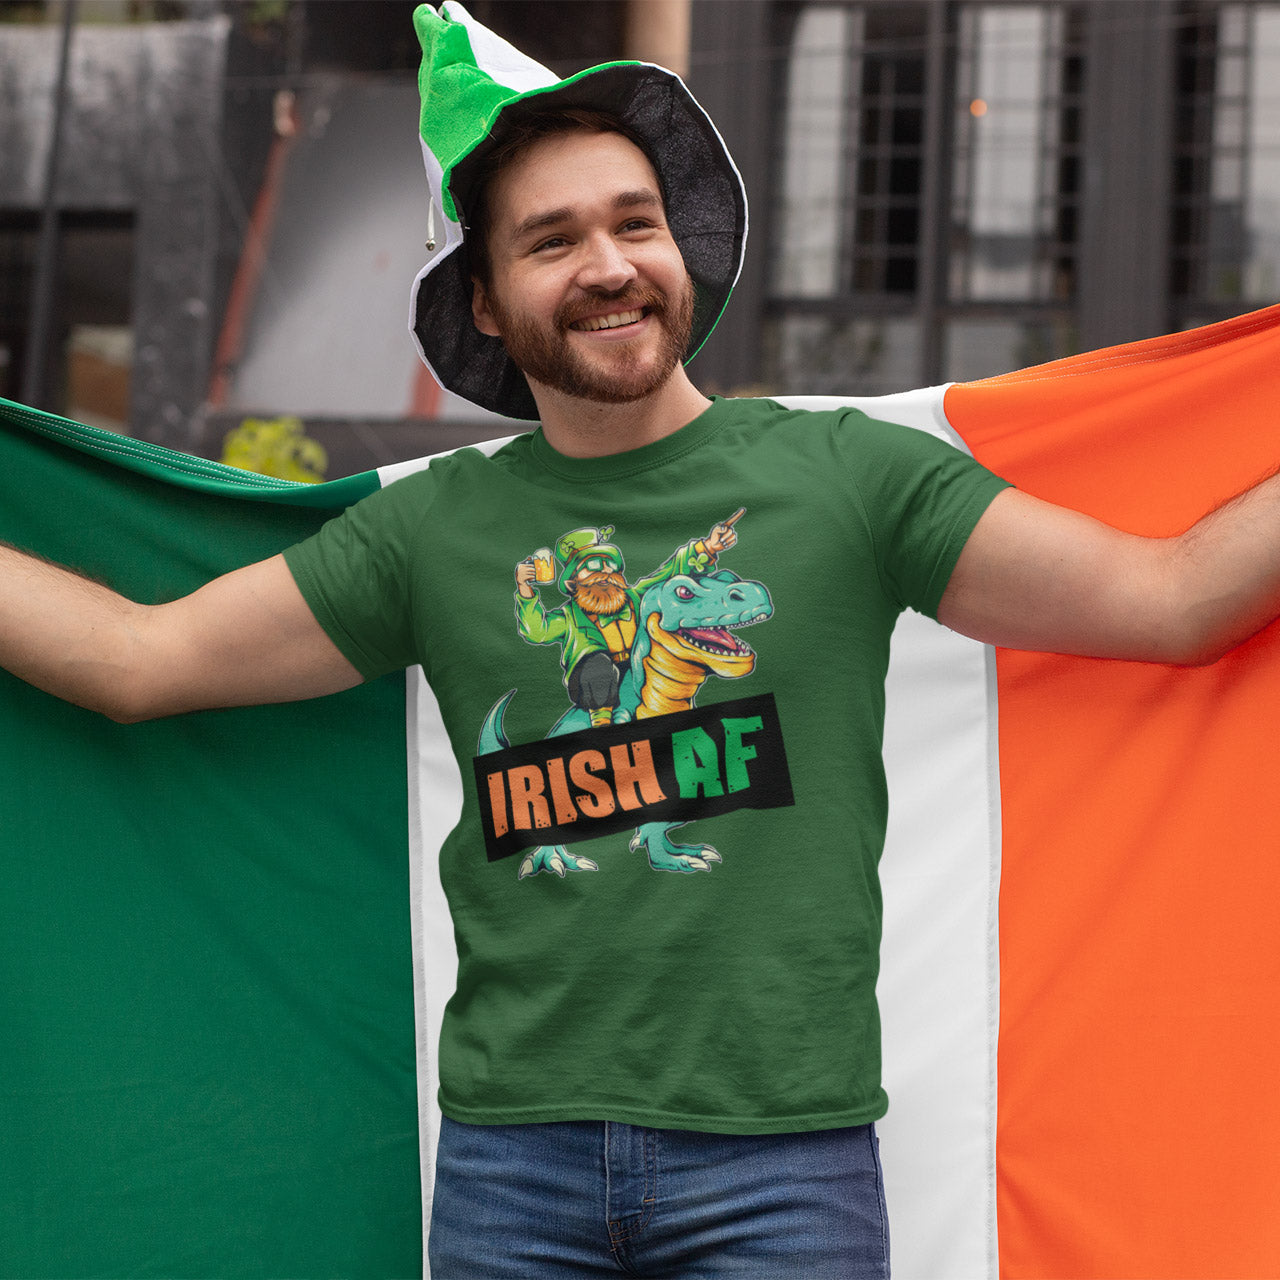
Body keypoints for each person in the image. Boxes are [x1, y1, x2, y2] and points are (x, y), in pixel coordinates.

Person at [3, 5, 1280, 1277]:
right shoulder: (432, 530)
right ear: (489, 304)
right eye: (551, 240)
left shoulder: (849, 478)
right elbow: (136, 659)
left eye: (633, 222)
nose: (608, 264)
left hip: (782, 1164)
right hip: (514, 1173)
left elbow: (1170, 599)